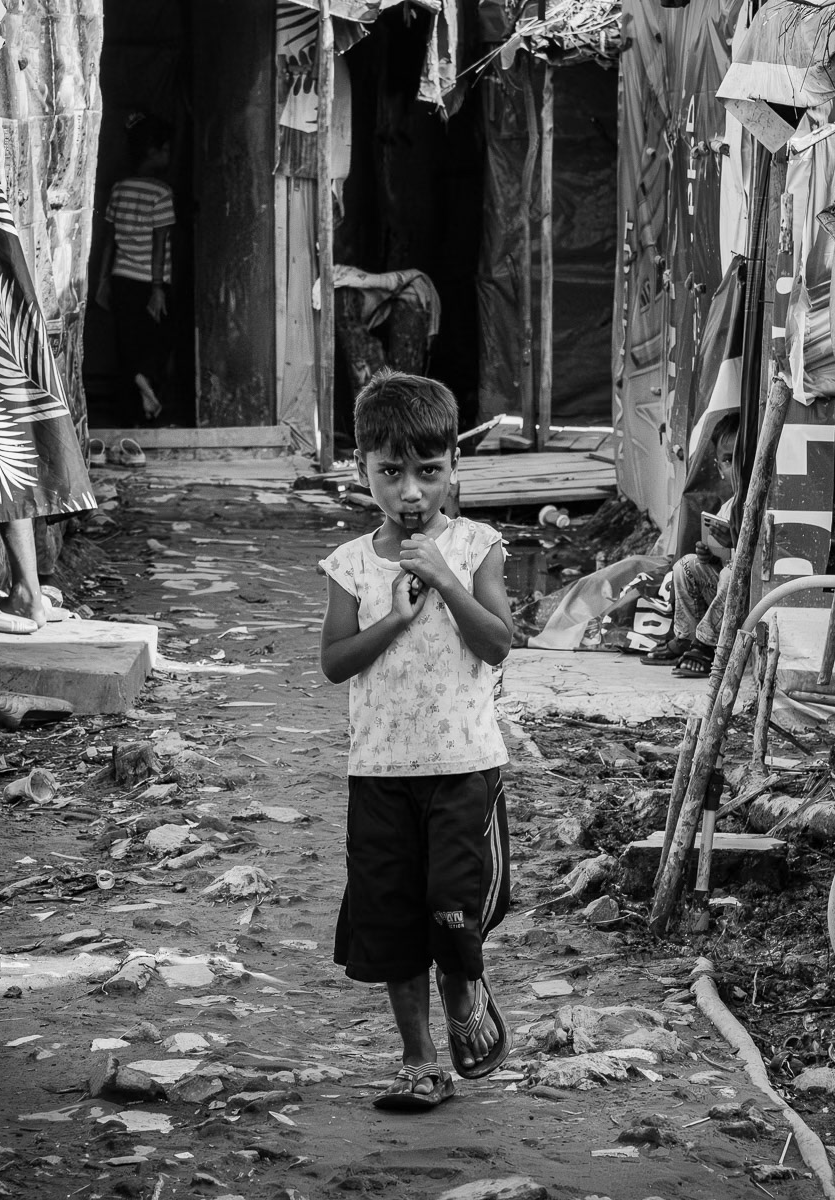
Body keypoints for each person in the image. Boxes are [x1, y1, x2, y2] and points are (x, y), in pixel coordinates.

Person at [317, 371, 515, 1112]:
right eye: (390, 471)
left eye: (428, 472)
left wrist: (446, 580)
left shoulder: (476, 546)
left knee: (452, 908)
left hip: (464, 767)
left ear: (453, 468)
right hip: (379, 771)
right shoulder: (350, 563)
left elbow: (497, 643)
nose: (410, 492)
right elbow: (334, 662)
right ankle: (418, 1060)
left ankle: (464, 997)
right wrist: (395, 618)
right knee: (395, 919)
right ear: (361, 468)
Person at [644, 413, 740, 676]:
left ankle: (706, 645)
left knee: (731, 575)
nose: (736, 468)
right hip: (724, 600)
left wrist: (735, 541)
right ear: (719, 469)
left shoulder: (762, 504)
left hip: (747, 600)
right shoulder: (727, 508)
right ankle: (686, 638)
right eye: (728, 461)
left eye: (742, 458)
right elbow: (721, 561)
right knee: (685, 565)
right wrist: (710, 555)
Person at [94, 113, 175, 422]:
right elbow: (159, 244)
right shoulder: (162, 193)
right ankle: (147, 392)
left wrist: (103, 280)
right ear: (152, 152)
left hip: (121, 279)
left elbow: (109, 241)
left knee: (126, 344)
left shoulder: (119, 189)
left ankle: (135, 404)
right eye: (165, 150)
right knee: (155, 344)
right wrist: (157, 288)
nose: (168, 156)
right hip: (150, 282)